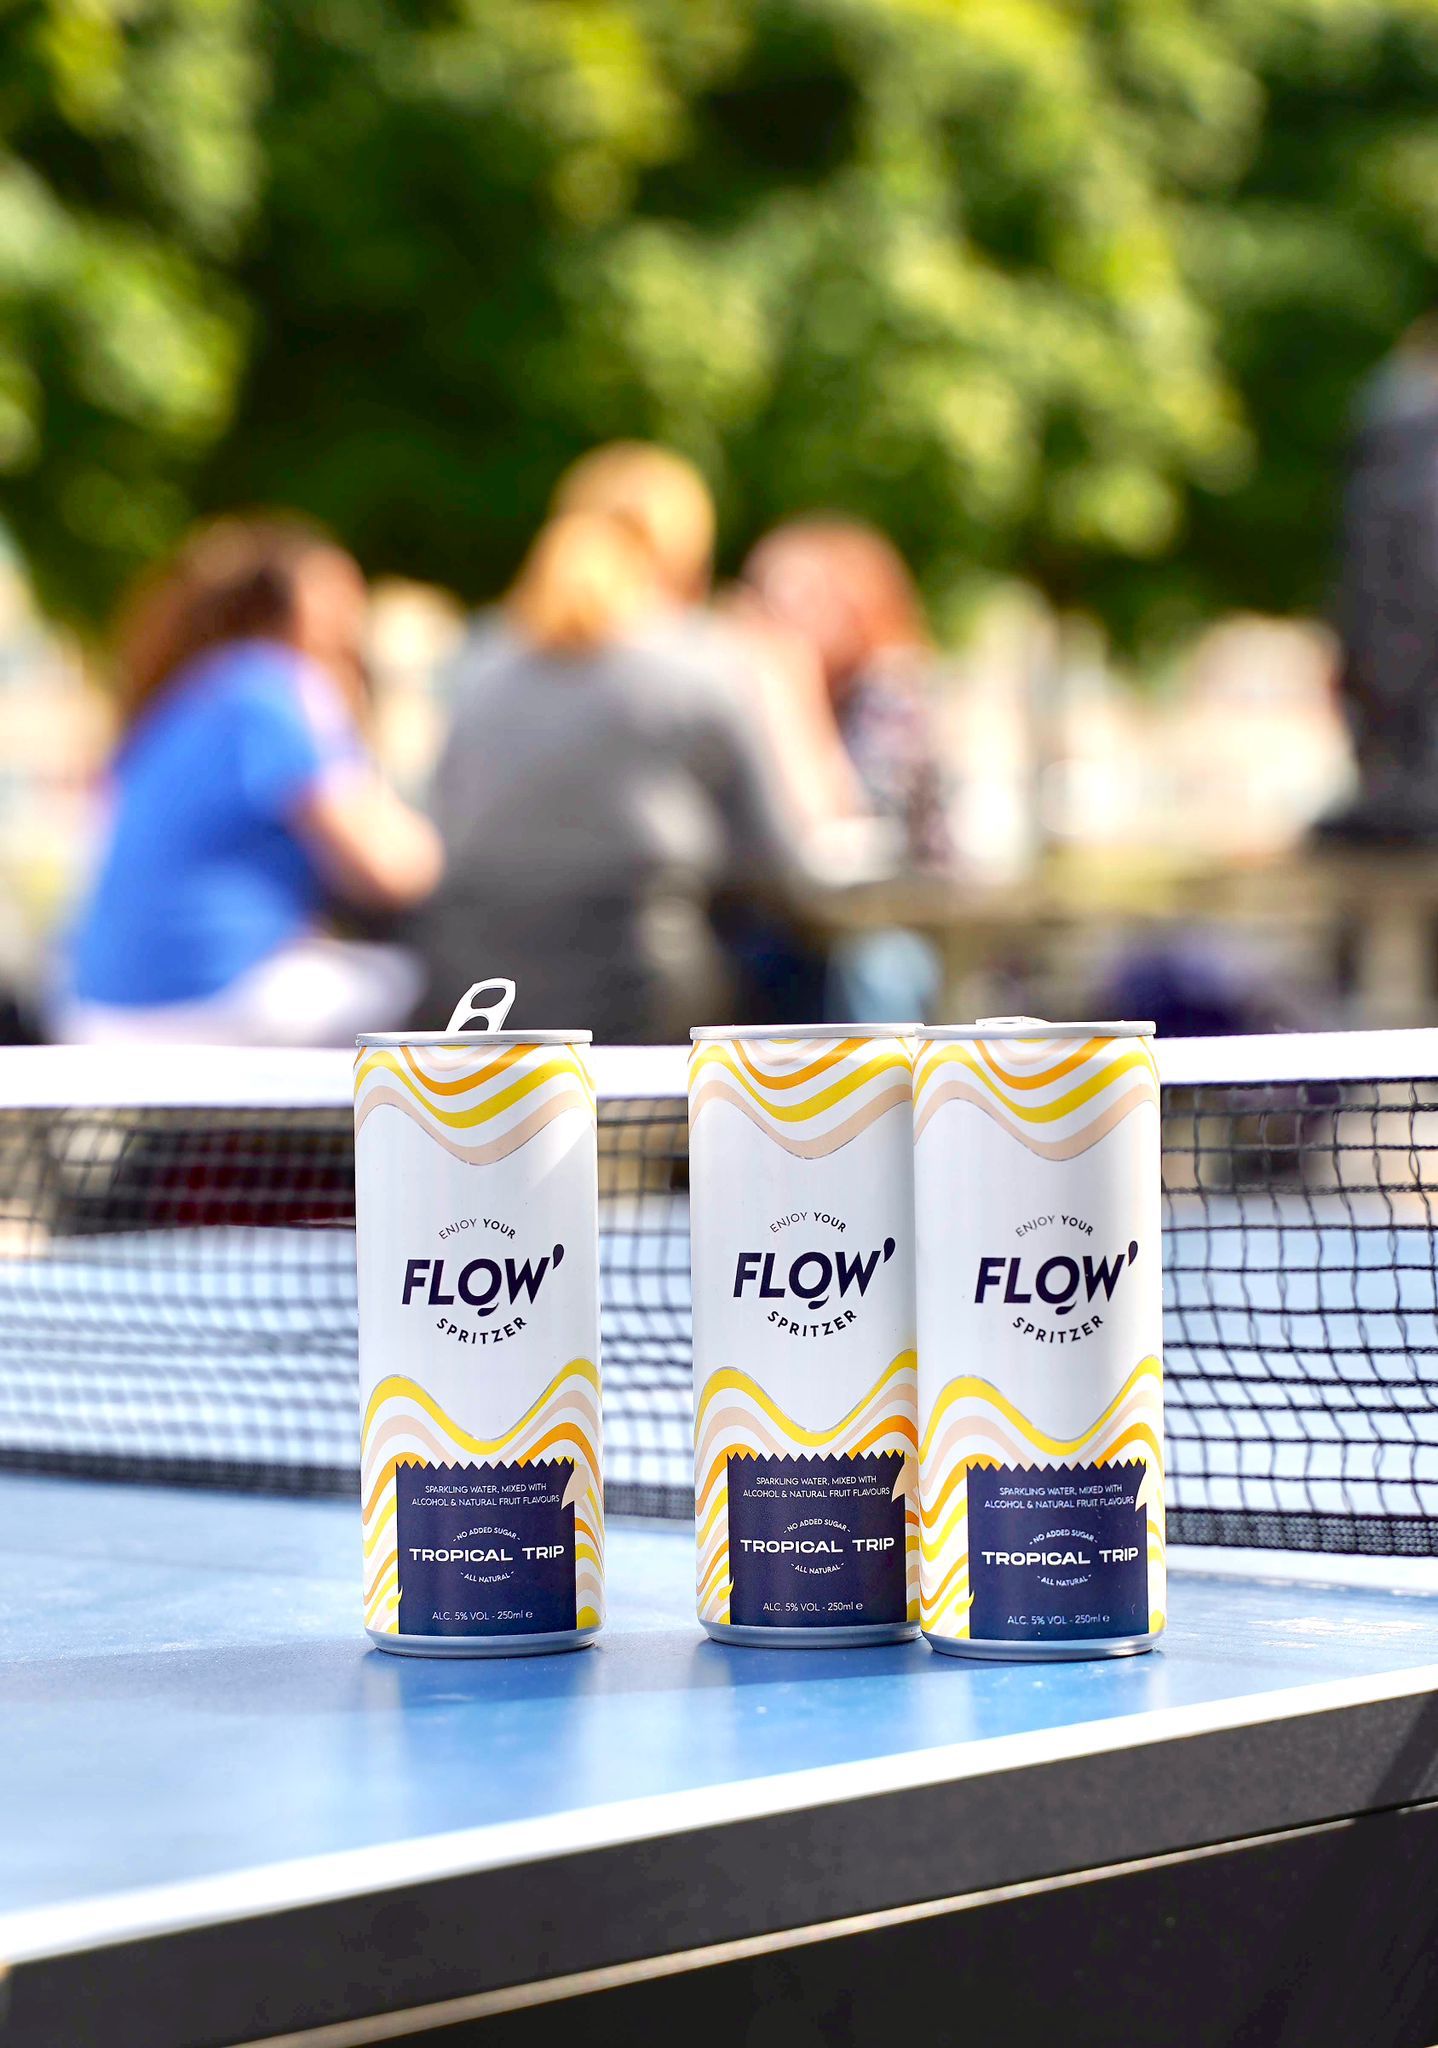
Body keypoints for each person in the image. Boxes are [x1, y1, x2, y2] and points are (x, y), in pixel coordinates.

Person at [418, 487, 805, 1040]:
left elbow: (442, 823)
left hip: (477, 985)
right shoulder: (702, 669)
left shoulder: (476, 670)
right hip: (643, 984)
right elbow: (776, 859)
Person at [56, 517, 442, 1045]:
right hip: (207, 1006)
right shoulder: (271, 688)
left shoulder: (184, 694)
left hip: (96, 1008)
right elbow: (392, 869)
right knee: (423, 986)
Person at [737, 518, 952, 1019]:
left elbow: (855, 828)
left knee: (879, 969)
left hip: (899, 918)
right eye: (770, 604)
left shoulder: (893, 690)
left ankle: (883, 1099)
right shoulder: (748, 698)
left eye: (801, 603)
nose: (782, 622)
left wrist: (797, 696)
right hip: (789, 921)